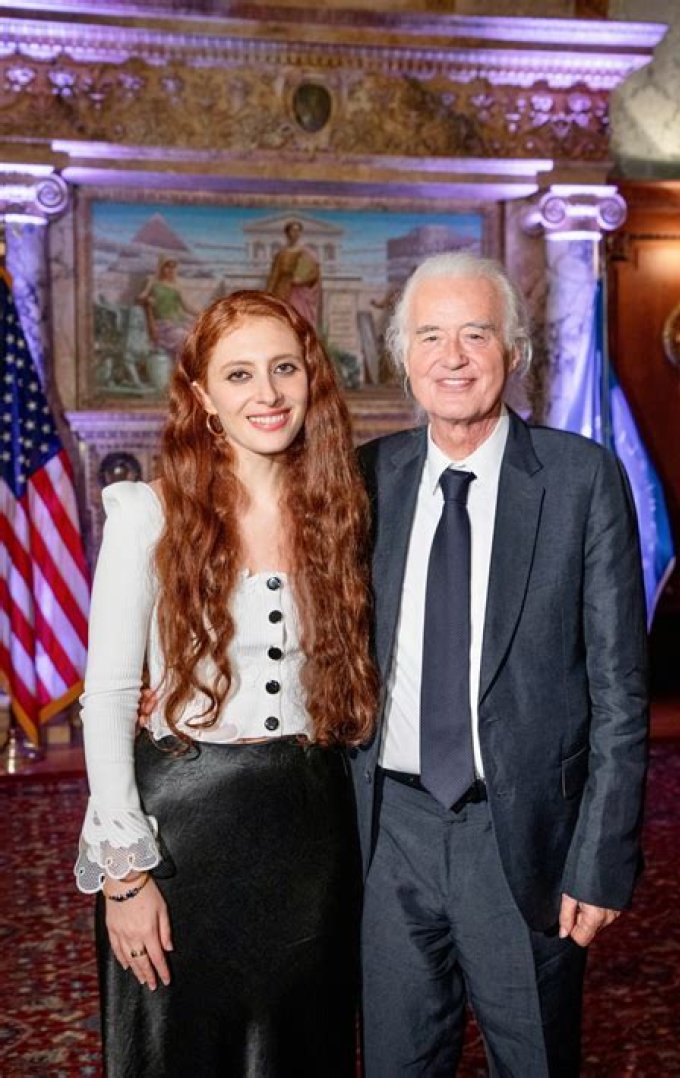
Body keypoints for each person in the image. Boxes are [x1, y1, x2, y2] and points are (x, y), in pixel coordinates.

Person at [350, 252, 649, 1077]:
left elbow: (620, 692)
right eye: (430, 336)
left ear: (514, 351)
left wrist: (602, 858)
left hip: (522, 839)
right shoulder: (368, 478)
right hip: (390, 835)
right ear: (403, 357)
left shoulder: (580, 479)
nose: (452, 357)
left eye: (475, 334)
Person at [74, 290, 377, 1076]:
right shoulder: (147, 513)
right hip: (184, 833)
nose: (266, 393)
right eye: (238, 374)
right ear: (203, 396)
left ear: (311, 377)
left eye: (284, 368)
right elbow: (108, 698)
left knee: (302, 1050)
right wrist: (125, 877)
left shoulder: (343, 510)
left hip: (312, 832)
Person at [136, 254, 197, 361]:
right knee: (184, 338)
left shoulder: (176, 286)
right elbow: (140, 298)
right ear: (161, 267)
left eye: (173, 267)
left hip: (177, 322)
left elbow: (186, 306)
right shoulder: (153, 282)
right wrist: (147, 300)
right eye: (167, 266)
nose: (170, 270)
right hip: (161, 325)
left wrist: (203, 313)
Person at [266, 220, 322, 330]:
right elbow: (274, 276)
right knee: (285, 320)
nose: (295, 233)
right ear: (287, 233)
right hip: (282, 290)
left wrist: (301, 280)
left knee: (299, 319)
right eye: (293, 230)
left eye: (298, 231)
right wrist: (268, 294)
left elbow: (314, 273)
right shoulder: (281, 255)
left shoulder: (306, 253)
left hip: (299, 292)